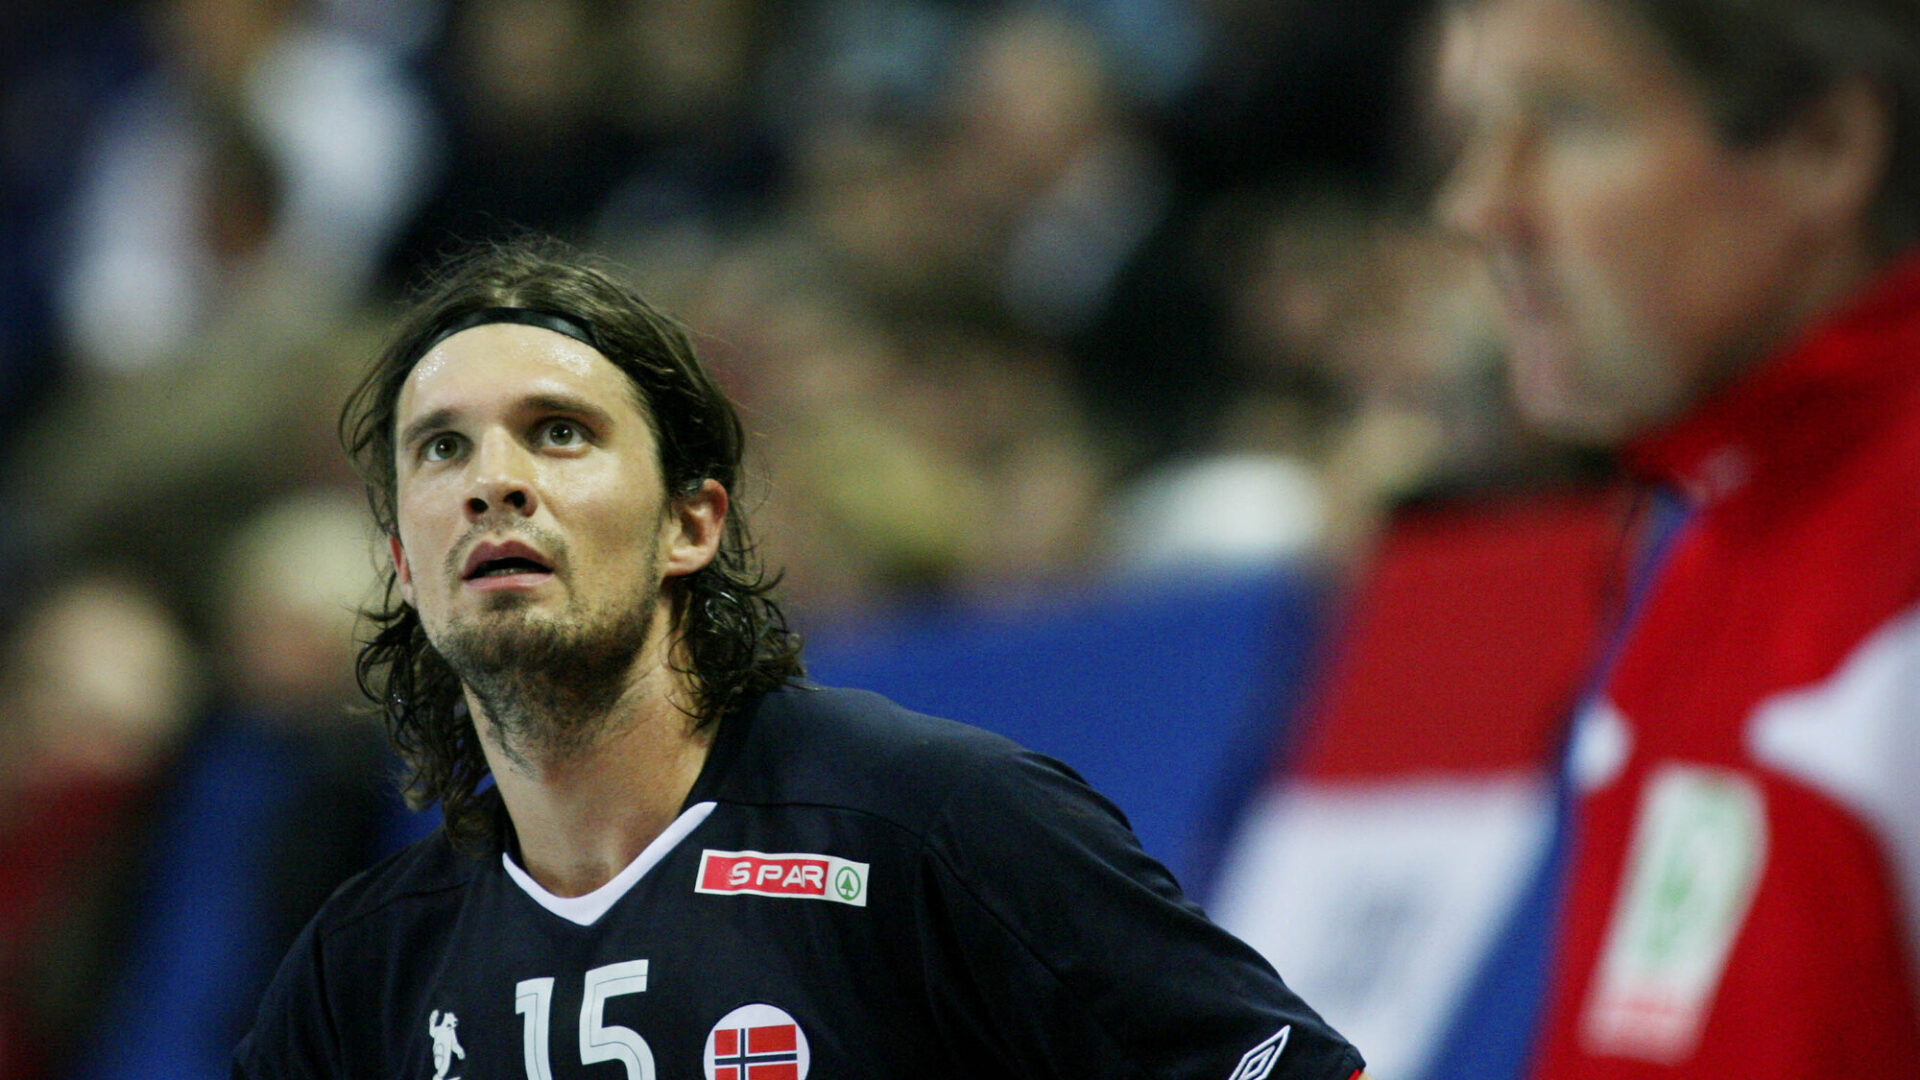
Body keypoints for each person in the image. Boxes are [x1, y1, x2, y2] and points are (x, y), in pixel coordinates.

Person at [230, 236, 1366, 1080]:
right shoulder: (364, 970)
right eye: (442, 448)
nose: (493, 482)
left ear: (692, 524)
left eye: (559, 432)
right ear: (403, 561)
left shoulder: (934, 824)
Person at [1431, 0, 1920, 1075]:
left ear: (1823, 146)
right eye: (1475, 130)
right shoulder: (1705, 545)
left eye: (1567, 117)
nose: (1479, 206)